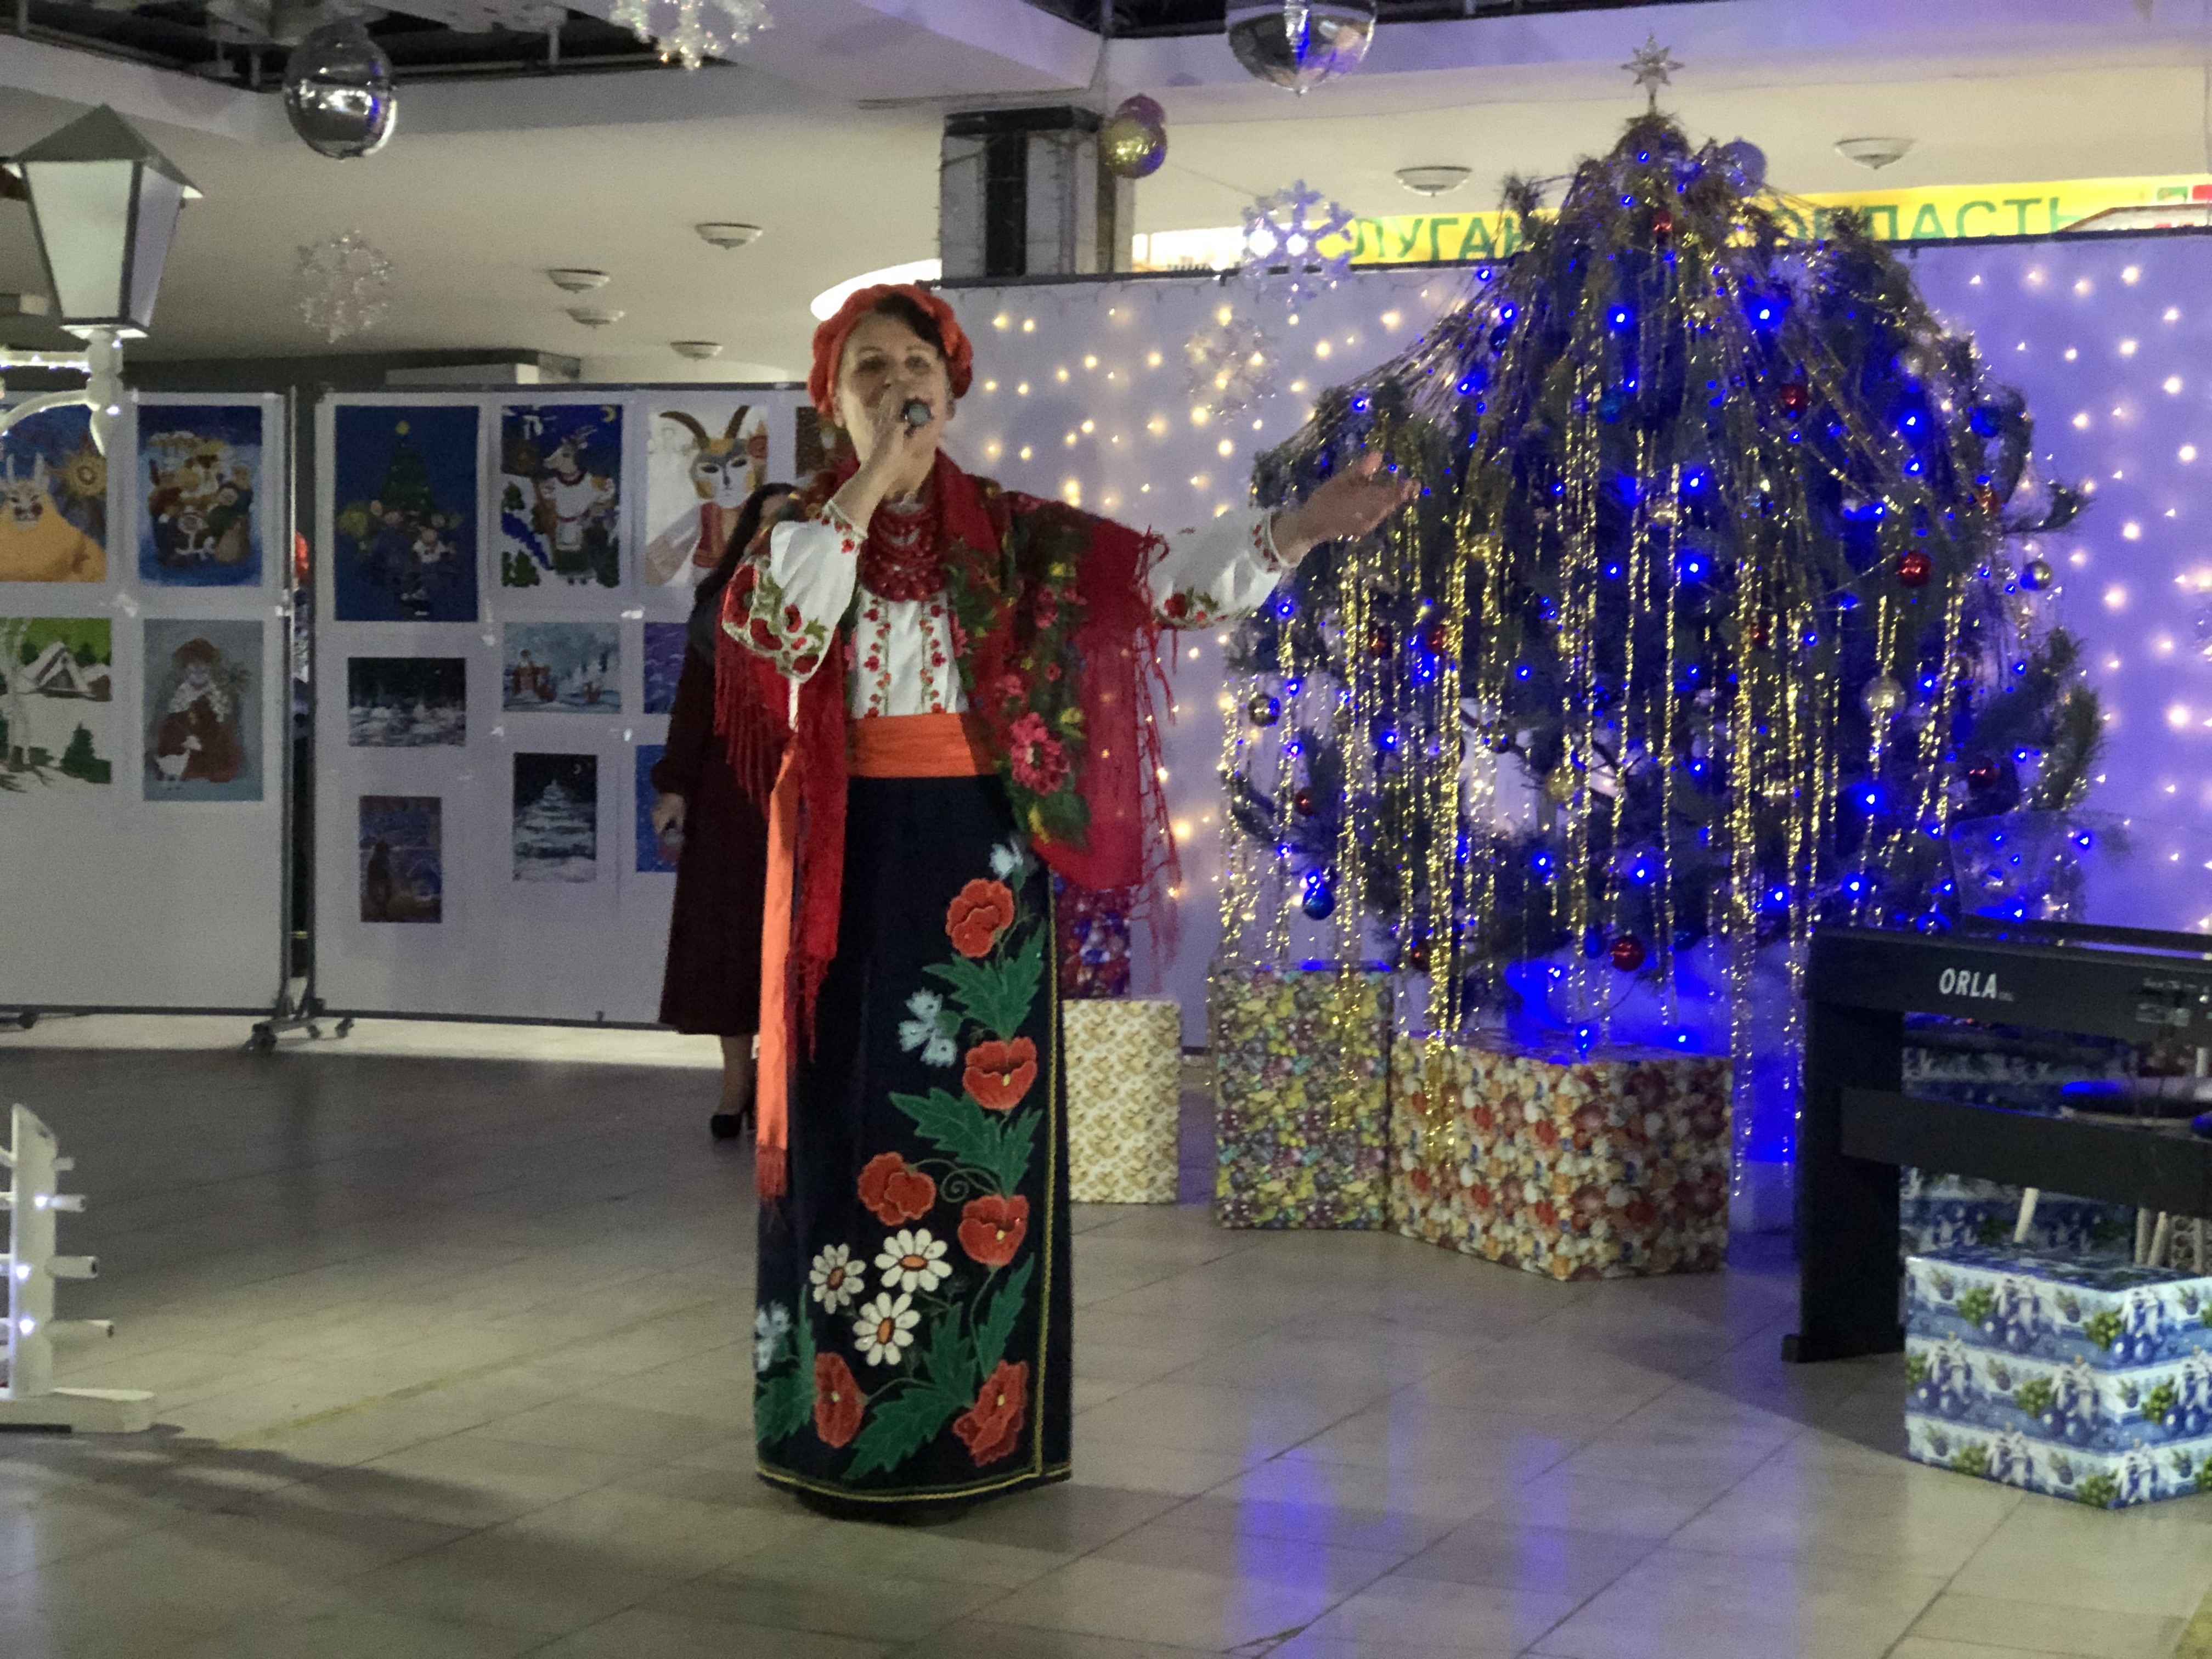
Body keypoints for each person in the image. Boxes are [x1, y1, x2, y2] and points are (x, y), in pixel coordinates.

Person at [720, 283, 1412, 1516]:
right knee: (844, 1121)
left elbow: (1162, 581)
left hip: (979, 866)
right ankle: (838, 1428)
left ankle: (975, 1428)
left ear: (951, 387)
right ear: (831, 402)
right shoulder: (802, 532)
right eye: (866, 367)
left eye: (914, 363)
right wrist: (868, 486)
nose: (895, 384)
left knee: (970, 1138)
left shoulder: (1015, 533)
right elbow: (781, 635)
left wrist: (1299, 528)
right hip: (843, 858)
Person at [652, 483, 790, 1139]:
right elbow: (692, 703)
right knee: (727, 934)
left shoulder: (837, 601)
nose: (777, 536)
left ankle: (787, 1079)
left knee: (794, 937)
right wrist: (675, 786)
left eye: (791, 524)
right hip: (729, 789)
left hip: (801, 786)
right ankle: (736, 1080)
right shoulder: (719, 607)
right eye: (766, 523)